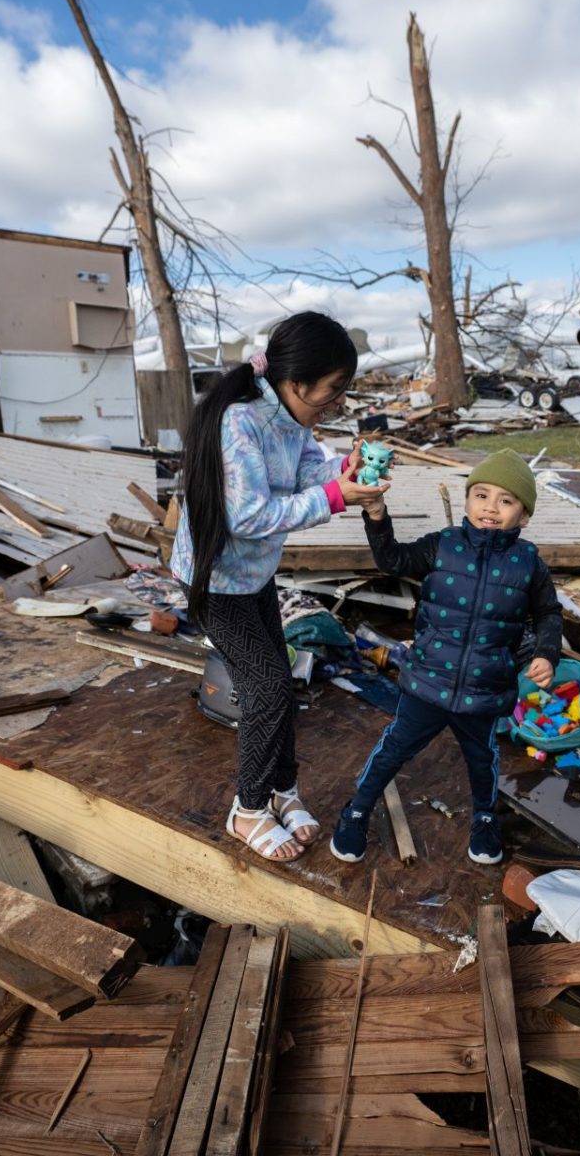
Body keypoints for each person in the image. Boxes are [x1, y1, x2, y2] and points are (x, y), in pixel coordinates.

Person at [172, 312, 389, 862]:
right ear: (295, 383)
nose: (335, 402)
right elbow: (247, 515)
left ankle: (282, 791)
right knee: (267, 688)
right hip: (217, 581)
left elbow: (312, 473)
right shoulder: (239, 423)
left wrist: (350, 471)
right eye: (332, 391)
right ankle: (246, 811)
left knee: (280, 682)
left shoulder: (293, 420)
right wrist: (338, 497)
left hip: (254, 575)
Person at [330, 448, 561, 866]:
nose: (491, 507)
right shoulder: (443, 545)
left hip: (485, 689)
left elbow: (548, 612)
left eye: (506, 501)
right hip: (427, 682)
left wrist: (547, 652)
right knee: (393, 750)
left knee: (483, 759)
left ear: (524, 516)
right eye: (481, 495)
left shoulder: (529, 564)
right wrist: (377, 514)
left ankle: (486, 818)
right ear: (468, 500)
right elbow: (392, 559)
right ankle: (357, 810)